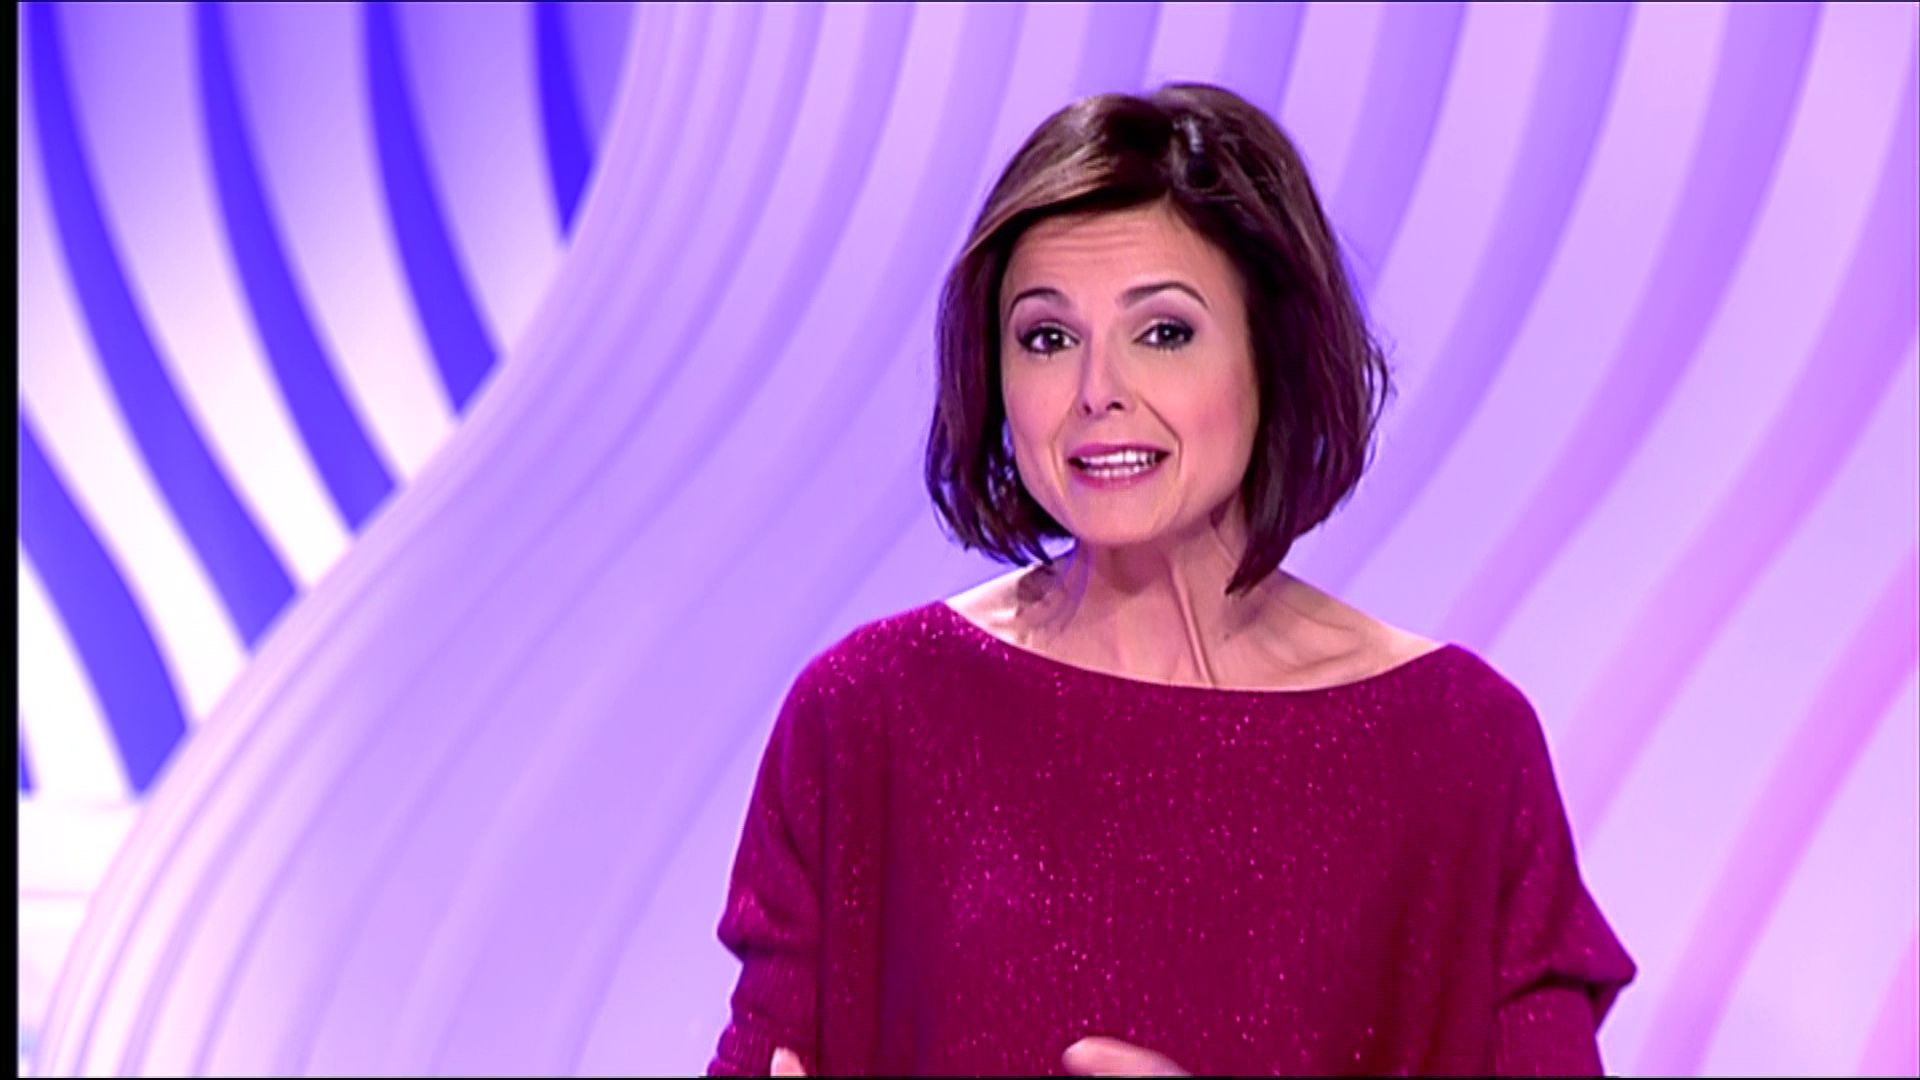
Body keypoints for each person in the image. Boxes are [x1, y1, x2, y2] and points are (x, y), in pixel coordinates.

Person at [707, 82, 1636, 1077]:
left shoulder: (1459, 745)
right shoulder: (869, 714)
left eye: (1163, 332)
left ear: (1272, 355)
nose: (1098, 391)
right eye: (1047, 338)